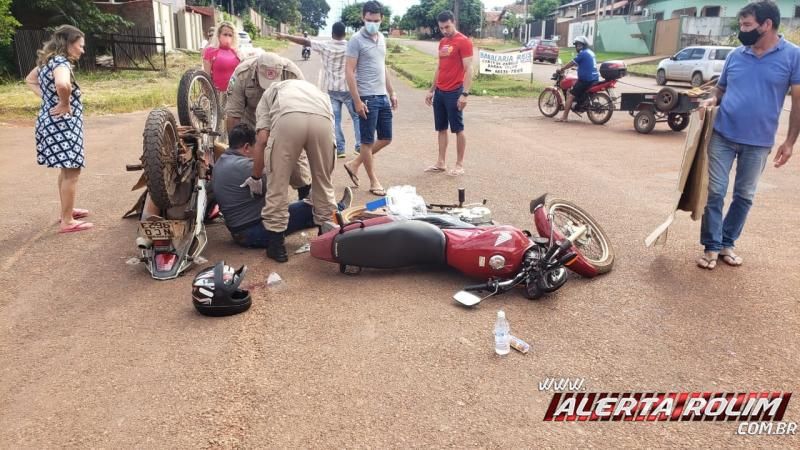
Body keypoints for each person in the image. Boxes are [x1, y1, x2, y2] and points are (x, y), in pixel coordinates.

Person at [695, 0, 796, 270]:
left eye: (747, 25)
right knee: (715, 191)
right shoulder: (736, 55)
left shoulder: (793, 56)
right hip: (723, 134)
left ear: (767, 25)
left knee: (744, 196)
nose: (742, 30)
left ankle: (727, 242)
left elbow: (799, 102)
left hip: (759, 142)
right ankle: (711, 246)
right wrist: (709, 101)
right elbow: (720, 90)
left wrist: (789, 141)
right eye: (741, 24)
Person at [240, 79, 339, 262]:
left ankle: (277, 247)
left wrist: (256, 176)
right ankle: (326, 240)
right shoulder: (314, 90)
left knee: (278, 184)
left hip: (288, 119)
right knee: (323, 183)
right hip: (322, 119)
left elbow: (262, 139)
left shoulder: (269, 94)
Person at [213, 124, 352, 248]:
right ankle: (341, 212)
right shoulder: (246, 167)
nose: (261, 150)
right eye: (259, 147)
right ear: (247, 147)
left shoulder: (222, 162)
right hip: (254, 231)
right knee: (312, 206)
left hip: (240, 228)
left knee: (298, 207)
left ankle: (329, 216)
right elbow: (277, 188)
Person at [25, 25, 93, 233]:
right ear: (69, 43)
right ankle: (67, 221)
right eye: (80, 45)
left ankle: (67, 210)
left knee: (66, 169)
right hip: (62, 124)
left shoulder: (47, 62)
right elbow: (63, 85)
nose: (83, 50)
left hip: (51, 121)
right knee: (72, 170)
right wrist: (63, 102)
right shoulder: (61, 63)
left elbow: (30, 80)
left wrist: (48, 98)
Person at [226, 52, 312, 200]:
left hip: (283, 120)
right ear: (257, 69)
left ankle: (305, 200)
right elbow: (233, 116)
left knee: (297, 167)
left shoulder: (292, 74)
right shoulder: (242, 75)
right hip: (251, 123)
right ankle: (254, 198)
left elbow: (304, 110)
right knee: (250, 165)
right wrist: (235, 149)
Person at [276, 22, 361, 159]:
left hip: (332, 90)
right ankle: (359, 146)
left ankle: (340, 149)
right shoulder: (350, 47)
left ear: (332, 34)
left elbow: (304, 41)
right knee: (357, 117)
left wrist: (285, 36)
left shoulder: (325, 46)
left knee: (335, 120)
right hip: (349, 89)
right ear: (344, 34)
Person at [342, 0, 398, 197]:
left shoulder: (381, 38)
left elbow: (383, 67)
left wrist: (392, 92)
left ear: (381, 19)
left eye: (376, 20)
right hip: (366, 97)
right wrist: (356, 100)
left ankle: (354, 163)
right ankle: (374, 181)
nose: (372, 23)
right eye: (368, 20)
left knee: (386, 138)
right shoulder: (356, 40)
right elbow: (349, 72)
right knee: (366, 142)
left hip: (382, 96)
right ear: (362, 18)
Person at [424, 10, 473, 177]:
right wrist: (431, 90)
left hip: (455, 91)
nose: (445, 30)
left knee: (458, 128)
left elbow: (469, 69)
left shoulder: (464, 41)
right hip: (440, 91)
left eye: (447, 27)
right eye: (442, 28)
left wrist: (465, 94)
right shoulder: (443, 42)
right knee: (441, 128)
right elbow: (440, 67)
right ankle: (441, 162)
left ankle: (459, 164)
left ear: (454, 22)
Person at [555, 36, 598, 123]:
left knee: (570, 95)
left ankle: (564, 117)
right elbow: (586, 64)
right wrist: (578, 68)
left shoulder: (582, 54)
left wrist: (562, 69)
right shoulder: (590, 52)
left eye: (578, 45)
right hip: (594, 78)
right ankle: (579, 104)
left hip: (585, 80)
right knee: (577, 91)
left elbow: (572, 63)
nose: (577, 47)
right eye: (577, 45)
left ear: (583, 45)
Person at [203, 22, 241, 107]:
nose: (227, 37)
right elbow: (206, 77)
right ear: (219, 35)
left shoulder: (236, 53)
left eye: (230, 35)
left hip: (234, 94)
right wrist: (207, 97)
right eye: (225, 34)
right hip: (217, 94)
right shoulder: (210, 51)